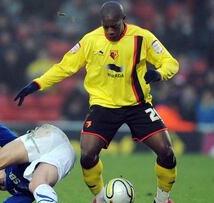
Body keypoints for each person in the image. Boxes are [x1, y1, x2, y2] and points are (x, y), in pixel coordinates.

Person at [14, 2, 179, 203]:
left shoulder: (142, 37)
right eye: (106, 26)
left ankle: (162, 199)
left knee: (167, 152)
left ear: (123, 20)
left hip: (138, 105)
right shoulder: (90, 40)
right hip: (103, 107)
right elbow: (64, 67)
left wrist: (159, 73)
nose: (110, 31)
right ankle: (101, 198)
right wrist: (37, 83)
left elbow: (171, 63)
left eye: (114, 26)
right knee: (87, 155)